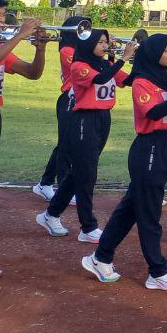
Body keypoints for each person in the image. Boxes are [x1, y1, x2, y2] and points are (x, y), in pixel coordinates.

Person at [82, 35, 167, 289]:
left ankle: (101, 257)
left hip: (166, 146)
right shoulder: (142, 81)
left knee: (130, 208)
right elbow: (153, 112)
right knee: (149, 214)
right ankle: (157, 271)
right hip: (149, 149)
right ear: (153, 53)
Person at [0, 0, 51, 281]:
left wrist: (40, 49)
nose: (1, 19)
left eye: (3, 13)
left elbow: (32, 74)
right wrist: (18, 37)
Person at [38, 28, 138, 242]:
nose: (105, 45)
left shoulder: (107, 64)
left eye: (105, 42)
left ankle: (51, 214)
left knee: (79, 172)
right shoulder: (79, 66)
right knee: (87, 174)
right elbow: (101, 80)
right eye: (100, 42)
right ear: (88, 44)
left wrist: (141, 60)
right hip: (84, 119)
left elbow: (128, 81)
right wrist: (124, 57)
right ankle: (88, 226)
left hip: (103, 118)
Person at [33, 14, 88, 201]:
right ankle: (61, 185)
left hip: (82, 100)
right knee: (65, 145)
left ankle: (45, 183)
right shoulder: (67, 50)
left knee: (67, 144)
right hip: (69, 99)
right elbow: (84, 68)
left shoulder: (81, 48)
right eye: (81, 28)